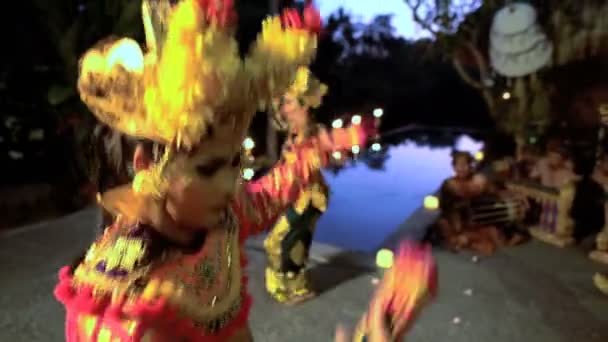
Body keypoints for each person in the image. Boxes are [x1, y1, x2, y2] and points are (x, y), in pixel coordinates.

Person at [53, 1, 377, 340]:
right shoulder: (119, 299)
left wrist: (323, 146)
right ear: (146, 166)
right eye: (209, 169)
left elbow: (272, 192)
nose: (230, 185)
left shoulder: (224, 221)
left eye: (236, 163)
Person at [263, 67, 333, 305]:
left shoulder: (317, 132)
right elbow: (286, 167)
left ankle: (296, 287)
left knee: (285, 240)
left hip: (312, 197)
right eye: (284, 103)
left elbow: (330, 159)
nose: (285, 108)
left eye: (289, 102)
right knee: (289, 241)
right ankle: (290, 286)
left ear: (304, 104)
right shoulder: (292, 133)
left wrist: (319, 155)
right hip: (296, 196)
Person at [437, 151, 527, 256]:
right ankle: (461, 239)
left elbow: (497, 192)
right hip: (457, 221)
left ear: (470, 166)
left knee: (492, 246)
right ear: (454, 167)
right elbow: (444, 207)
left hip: (478, 220)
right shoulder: (449, 184)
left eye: (465, 164)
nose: (461, 168)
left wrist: (516, 195)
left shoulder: (479, 180)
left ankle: (465, 239)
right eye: (458, 165)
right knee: (448, 228)